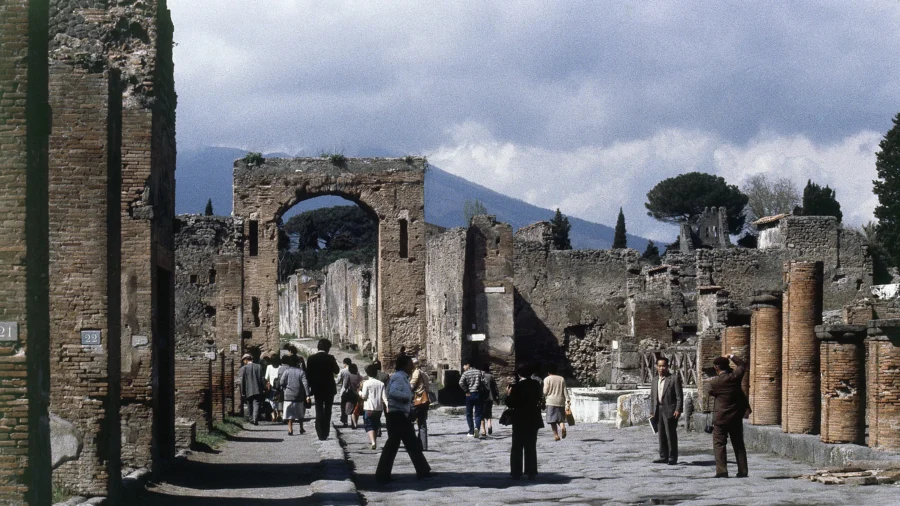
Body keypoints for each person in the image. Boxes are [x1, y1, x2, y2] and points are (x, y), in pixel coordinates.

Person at [375, 355, 432, 483]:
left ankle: (423, 470)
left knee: (405, 443)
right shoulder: (399, 378)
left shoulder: (403, 377)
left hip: (401, 414)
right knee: (397, 444)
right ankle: (383, 474)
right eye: (410, 363)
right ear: (405, 365)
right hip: (397, 415)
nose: (413, 366)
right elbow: (393, 393)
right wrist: (407, 397)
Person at [707, 354, 749, 478]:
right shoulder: (735, 377)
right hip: (735, 416)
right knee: (738, 444)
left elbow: (710, 392)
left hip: (720, 418)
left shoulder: (714, 382)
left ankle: (722, 471)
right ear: (727, 366)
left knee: (719, 444)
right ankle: (743, 470)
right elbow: (742, 365)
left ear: (716, 368)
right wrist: (731, 356)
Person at [506, 363, 543, 480]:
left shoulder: (516, 387)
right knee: (531, 446)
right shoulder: (536, 384)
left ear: (519, 374)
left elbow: (510, 403)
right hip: (533, 418)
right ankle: (531, 471)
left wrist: (508, 394)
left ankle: (516, 472)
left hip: (519, 419)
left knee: (517, 446)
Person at [649, 357, 684, 465]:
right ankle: (663, 456)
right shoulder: (655, 380)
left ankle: (673, 456)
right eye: (659, 366)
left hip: (670, 409)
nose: (661, 368)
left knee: (670, 434)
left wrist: (678, 409)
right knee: (661, 434)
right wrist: (651, 410)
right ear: (656, 367)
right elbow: (653, 397)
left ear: (667, 367)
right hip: (658, 409)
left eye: (664, 366)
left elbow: (679, 396)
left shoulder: (673, 379)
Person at [306, 339, 340, 440]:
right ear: (327, 348)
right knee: (328, 410)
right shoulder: (330, 358)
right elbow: (337, 371)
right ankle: (326, 432)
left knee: (319, 410)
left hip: (317, 388)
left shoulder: (311, 358)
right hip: (329, 388)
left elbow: (308, 375)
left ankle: (320, 433)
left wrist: (310, 388)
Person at [280, 355, 311, 436]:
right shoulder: (301, 372)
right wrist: (307, 395)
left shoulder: (286, 371)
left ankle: (290, 429)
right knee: (300, 412)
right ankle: (301, 428)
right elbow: (305, 384)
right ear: (298, 363)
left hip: (288, 395)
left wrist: (285, 389)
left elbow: (282, 382)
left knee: (290, 413)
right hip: (299, 395)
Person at [360, 364, 387, 450]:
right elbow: (384, 397)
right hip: (378, 408)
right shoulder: (381, 384)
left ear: (367, 374)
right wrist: (387, 406)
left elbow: (364, 396)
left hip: (369, 407)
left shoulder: (366, 383)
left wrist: (359, 393)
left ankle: (373, 442)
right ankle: (374, 441)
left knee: (369, 425)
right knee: (375, 424)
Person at [542, 363, 570, 441]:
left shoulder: (547, 379)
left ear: (548, 372)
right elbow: (565, 391)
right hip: (560, 401)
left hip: (551, 401)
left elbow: (545, 391)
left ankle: (556, 435)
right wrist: (568, 400)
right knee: (560, 419)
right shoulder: (561, 379)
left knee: (552, 420)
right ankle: (562, 427)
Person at [459, 360, 486, 438]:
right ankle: (477, 428)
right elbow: (484, 383)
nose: (463, 367)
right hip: (478, 394)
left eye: (464, 365)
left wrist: (466, 390)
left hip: (469, 394)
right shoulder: (480, 372)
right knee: (478, 414)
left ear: (468, 364)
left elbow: (460, 383)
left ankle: (471, 431)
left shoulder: (466, 373)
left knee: (469, 414)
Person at [410, 357, 431, 450]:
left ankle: (412, 443)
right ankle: (423, 445)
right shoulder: (423, 373)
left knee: (410, 421)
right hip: (424, 400)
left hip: (417, 399)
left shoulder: (416, 372)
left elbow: (412, 386)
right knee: (422, 423)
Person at [239, 353, 265, 425]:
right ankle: (255, 418)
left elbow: (242, 381)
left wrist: (242, 391)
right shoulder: (259, 367)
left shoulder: (244, 368)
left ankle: (251, 418)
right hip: (257, 389)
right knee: (256, 403)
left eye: (243, 360)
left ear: (246, 360)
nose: (243, 362)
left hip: (248, 389)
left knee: (249, 404)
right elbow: (262, 378)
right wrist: (263, 388)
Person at [480, 365, 500, 437]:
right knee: (489, 412)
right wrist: (497, 397)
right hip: (490, 397)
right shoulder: (491, 376)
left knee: (481, 414)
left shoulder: (480, 377)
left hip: (482, 398)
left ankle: (483, 430)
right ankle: (489, 425)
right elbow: (495, 387)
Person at [264, 354, 282, 422]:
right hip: (279, 387)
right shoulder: (280, 367)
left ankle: (273, 415)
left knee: (271, 401)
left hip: (271, 387)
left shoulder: (269, 367)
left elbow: (266, 377)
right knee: (279, 401)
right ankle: (278, 415)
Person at [344, 363, 363, 429]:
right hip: (358, 394)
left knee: (351, 409)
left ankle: (354, 424)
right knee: (357, 409)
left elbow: (345, 385)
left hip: (351, 394)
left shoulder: (348, 376)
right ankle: (355, 422)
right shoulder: (360, 377)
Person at [337, 357, 353, 426]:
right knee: (353, 406)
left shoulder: (342, 371)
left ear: (345, 364)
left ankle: (344, 421)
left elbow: (338, 381)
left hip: (344, 391)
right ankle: (353, 421)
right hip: (353, 391)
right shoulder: (355, 370)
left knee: (343, 407)